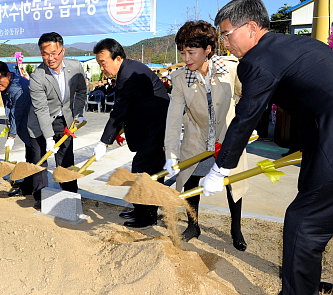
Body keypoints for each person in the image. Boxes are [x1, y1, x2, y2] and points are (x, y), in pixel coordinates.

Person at [204, 0, 333, 295]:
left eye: (226, 34)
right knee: (318, 212)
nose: (224, 43)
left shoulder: (256, 60)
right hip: (321, 136)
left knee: (304, 224)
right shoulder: (298, 46)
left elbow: (246, 116)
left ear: (250, 28)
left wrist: (221, 166)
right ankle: (307, 284)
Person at [163, 20, 248, 251]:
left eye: (191, 52)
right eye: (183, 52)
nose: (186, 58)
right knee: (191, 180)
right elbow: (173, 118)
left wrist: (243, 124)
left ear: (208, 49)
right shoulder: (180, 78)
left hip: (228, 135)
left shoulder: (231, 68)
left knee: (233, 183)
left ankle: (236, 228)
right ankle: (194, 225)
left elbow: (246, 96)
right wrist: (170, 154)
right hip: (197, 136)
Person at [92, 38, 170, 228]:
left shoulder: (128, 75)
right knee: (144, 170)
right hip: (147, 126)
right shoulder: (127, 70)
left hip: (155, 128)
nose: (102, 68)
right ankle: (141, 209)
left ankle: (147, 216)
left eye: (103, 63)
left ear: (117, 58)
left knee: (145, 171)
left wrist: (104, 142)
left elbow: (119, 111)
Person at [27, 32, 86, 209]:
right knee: (39, 160)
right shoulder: (37, 75)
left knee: (66, 160)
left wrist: (78, 113)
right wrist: (48, 138)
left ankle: (70, 195)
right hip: (39, 123)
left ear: (62, 51)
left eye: (54, 53)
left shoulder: (75, 67)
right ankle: (41, 197)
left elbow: (82, 91)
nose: (50, 58)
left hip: (64, 120)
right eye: (45, 54)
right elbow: (41, 109)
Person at [0, 61, 33, 197]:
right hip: (26, 124)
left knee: (34, 157)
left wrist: (11, 136)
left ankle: (33, 189)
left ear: (7, 75)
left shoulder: (16, 88)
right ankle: (28, 184)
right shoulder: (9, 82)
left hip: (32, 125)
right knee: (30, 155)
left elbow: (16, 113)